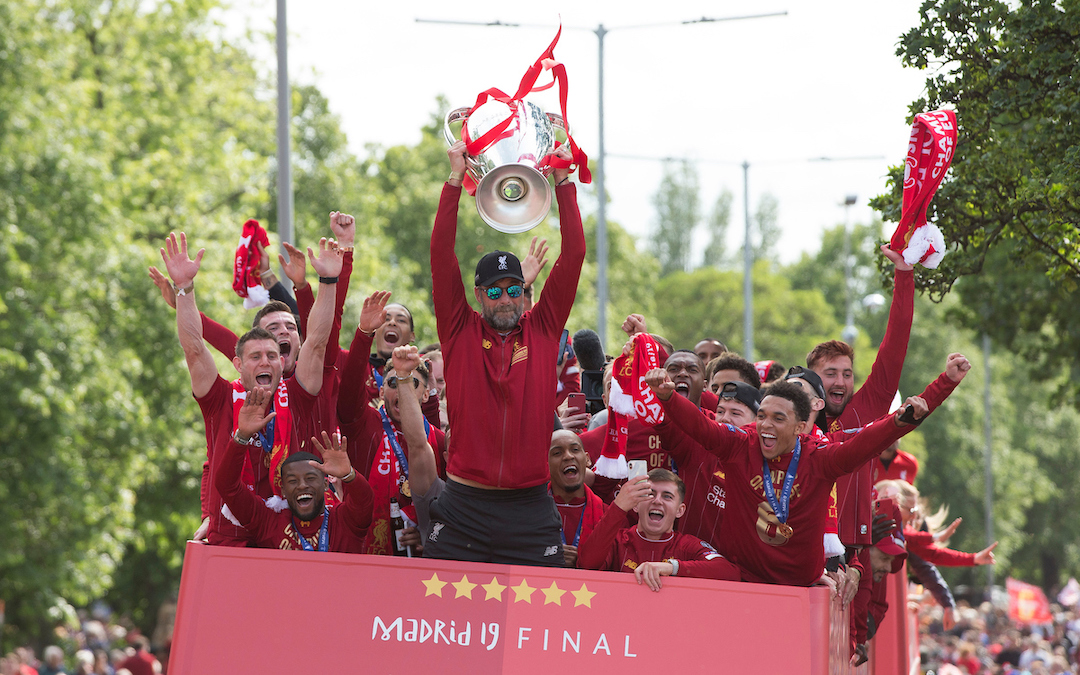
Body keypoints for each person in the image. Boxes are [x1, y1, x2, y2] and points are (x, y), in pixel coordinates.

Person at [645, 353, 970, 586]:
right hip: (742, 578)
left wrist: (937, 390)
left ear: (801, 426)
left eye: (778, 419)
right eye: (762, 416)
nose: (765, 426)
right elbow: (700, 428)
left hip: (801, 590)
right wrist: (667, 397)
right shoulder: (739, 445)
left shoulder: (820, 458)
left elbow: (873, 437)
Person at [424, 140, 583, 566]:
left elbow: (575, 255)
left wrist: (564, 181)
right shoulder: (458, 328)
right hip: (463, 506)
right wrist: (455, 179)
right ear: (479, 296)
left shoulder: (544, 328)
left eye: (515, 289)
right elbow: (441, 255)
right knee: (449, 627)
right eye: (495, 292)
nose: (506, 299)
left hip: (528, 507)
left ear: (525, 293)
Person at [161, 231, 341, 545]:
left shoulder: (298, 396)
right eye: (255, 357)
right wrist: (184, 289)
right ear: (238, 364)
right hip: (232, 534)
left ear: (282, 362)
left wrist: (327, 282)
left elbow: (317, 344)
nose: (265, 363)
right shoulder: (219, 398)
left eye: (272, 356)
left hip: (291, 532)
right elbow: (193, 348)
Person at [215, 385, 373, 552]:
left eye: (311, 478)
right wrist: (242, 436)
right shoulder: (268, 522)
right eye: (292, 481)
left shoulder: (346, 521)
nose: (302, 485)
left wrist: (349, 476)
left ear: (326, 484)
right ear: (282, 489)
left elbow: (365, 501)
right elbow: (227, 487)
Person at [577, 469, 740, 590]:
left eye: (667, 496)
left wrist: (673, 568)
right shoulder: (618, 540)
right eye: (650, 494)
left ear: (680, 510)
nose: (657, 501)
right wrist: (618, 507)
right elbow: (587, 565)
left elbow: (731, 573)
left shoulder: (687, 545)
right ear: (636, 504)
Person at [548, 430, 605, 567]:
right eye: (557, 453)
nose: (568, 456)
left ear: (587, 459)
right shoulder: (530, 511)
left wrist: (584, 558)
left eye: (574, 449)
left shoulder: (606, 514)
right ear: (545, 463)